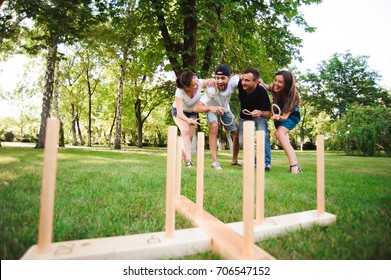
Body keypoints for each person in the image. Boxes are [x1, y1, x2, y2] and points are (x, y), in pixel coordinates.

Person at [193, 65, 241, 170]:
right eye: (217, 78)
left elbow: (242, 77)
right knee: (214, 126)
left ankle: (235, 160)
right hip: (211, 108)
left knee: (236, 132)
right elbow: (196, 107)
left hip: (225, 109)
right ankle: (215, 162)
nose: (219, 81)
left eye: (223, 78)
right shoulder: (211, 89)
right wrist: (211, 108)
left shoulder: (234, 82)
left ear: (229, 77)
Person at [172, 70, 215, 168]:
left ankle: (181, 157)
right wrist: (188, 120)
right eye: (194, 85)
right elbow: (180, 113)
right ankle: (189, 161)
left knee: (190, 136)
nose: (197, 86)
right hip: (179, 112)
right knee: (185, 130)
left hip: (192, 111)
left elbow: (210, 80)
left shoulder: (198, 82)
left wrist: (212, 80)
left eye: (197, 83)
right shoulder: (179, 92)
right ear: (186, 87)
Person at [262, 70, 302, 174]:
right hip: (278, 114)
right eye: (275, 80)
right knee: (285, 142)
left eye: (280, 82)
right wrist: (260, 82)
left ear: (287, 85)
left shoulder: (294, 97)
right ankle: (297, 165)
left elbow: (284, 117)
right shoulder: (274, 87)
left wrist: (278, 117)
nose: (276, 83)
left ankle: (293, 165)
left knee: (279, 133)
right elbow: (267, 86)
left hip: (290, 116)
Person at [238, 68, 272, 171]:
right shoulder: (240, 84)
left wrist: (260, 112)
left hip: (259, 117)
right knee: (241, 141)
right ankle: (253, 161)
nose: (243, 82)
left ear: (256, 82)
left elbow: (269, 114)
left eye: (247, 80)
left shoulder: (262, 91)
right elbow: (232, 77)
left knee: (263, 136)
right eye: (243, 79)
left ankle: (266, 163)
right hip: (244, 117)